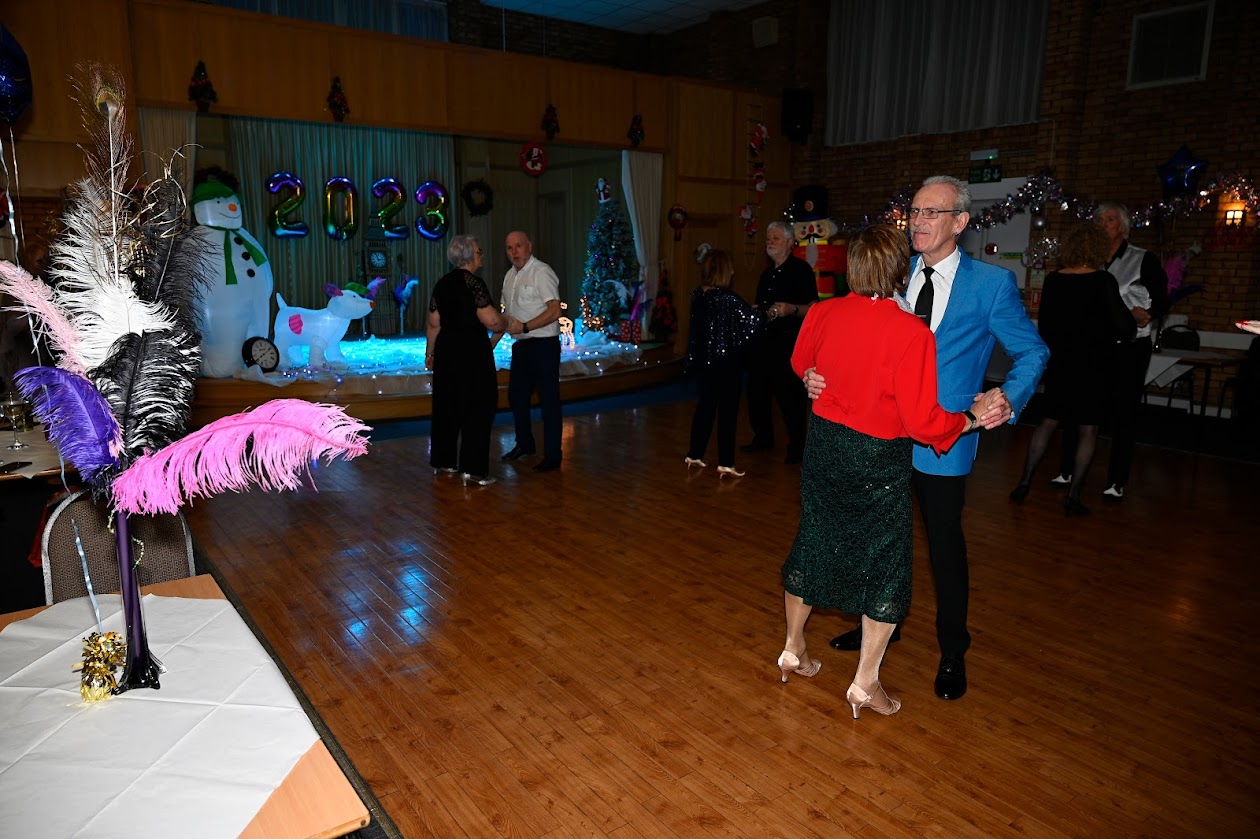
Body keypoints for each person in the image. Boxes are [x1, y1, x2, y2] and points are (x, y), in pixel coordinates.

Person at [812, 175, 1049, 701]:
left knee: (944, 546)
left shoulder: (990, 285)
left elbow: (1033, 352)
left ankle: (952, 650)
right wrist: (814, 372)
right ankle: (872, 628)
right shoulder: (891, 273)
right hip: (882, 434)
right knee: (875, 538)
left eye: (931, 214)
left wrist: (1008, 396)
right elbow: (850, 336)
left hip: (946, 438)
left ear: (960, 223)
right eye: (914, 213)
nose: (917, 222)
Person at [778, 223, 1004, 719]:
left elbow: (798, 362)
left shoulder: (821, 311)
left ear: (852, 267)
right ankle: (864, 683)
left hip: (825, 448)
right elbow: (924, 422)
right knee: (885, 562)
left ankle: (793, 648)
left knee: (815, 537)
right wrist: (970, 418)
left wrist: (813, 377)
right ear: (899, 271)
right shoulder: (911, 332)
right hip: (877, 456)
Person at [1008, 224, 1135, 514]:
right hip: (1093, 365)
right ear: (1098, 249)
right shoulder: (1103, 281)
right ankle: (1074, 496)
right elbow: (1125, 327)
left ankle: (1024, 481)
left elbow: (1048, 325)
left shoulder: (1054, 280)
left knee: (1048, 422)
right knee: (1088, 429)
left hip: (1061, 363)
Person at [1050, 202, 1168, 500]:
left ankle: (1117, 479)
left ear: (1124, 227)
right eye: (1100, 219)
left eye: (1111, 220)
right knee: (1077, 407)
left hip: (1129, 347)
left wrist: (1150, 314)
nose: (1104, 224)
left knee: (1123, 411)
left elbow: (1162, 299)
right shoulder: (1086, 258)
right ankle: (1067, 470)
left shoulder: (1143, 259)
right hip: (1092, 349)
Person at [684, 249, 790, 478]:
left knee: (705, 408)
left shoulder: (699, 296)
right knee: (728, 413)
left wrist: (743, 314)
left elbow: (715, 324)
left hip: (705, 363)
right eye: (730, 267)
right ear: (723, 270)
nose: (733, 271)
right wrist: (774, 311)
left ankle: (695, 454)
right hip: (726, 365)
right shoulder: (728, 299)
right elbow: (755, 322)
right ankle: (726, 463)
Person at [425, 235, 514, 486]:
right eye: (479, 250)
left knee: (447, 406)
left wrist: (429, 353)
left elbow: (434, 324)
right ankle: (474, 470)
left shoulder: (441, 284)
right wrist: (507, 322)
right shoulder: (473, 283)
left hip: (446, 353)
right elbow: (492, 321)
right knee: (479, 406)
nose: (481, 254)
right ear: (469, 255)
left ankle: (445, 461)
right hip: (472, 353)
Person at [743, 221, 819, 464]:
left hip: (789, 345)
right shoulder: (766, 275)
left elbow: (813, 309)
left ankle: (797, 446)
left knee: (790, 399)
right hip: (763, 344)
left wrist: (791, 309)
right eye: (768, 238)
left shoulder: (801, 271)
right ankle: (762, 438)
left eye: (775, 238)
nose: (769, 242)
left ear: (789, 242)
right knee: (757, 393)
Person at [501, 231, 564, 472]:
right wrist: (491, 343)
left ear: (529, 246)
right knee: (517, 397)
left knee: (548, 401)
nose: (514, 251)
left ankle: (553, 456)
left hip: (544, 346)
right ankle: (525, 444)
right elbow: (507, 317)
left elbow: (555, 310)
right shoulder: (509, 277)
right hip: (522, 347)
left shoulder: (542, 272)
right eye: (509, 248)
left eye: (518, 246)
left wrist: (526, 326)